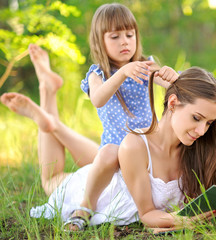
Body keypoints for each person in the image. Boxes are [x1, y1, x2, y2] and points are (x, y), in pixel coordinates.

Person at [1, 66, 216, 230]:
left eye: (208, 123)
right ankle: (47, 105)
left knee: (105, 155)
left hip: (109, 168)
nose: (202, 131)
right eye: (196, 118)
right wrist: (184, 221)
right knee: (51, 179)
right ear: (173, 103)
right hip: (90, 192)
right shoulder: (136, 145)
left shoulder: (196, 148)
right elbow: (147, 215)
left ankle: (53, 122)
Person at [69, 3, 178, 228]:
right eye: (115, 36)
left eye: (130, 34)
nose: (125, 41)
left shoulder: (145, 64)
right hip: (116, 149)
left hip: (146, 146)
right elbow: (98, 98)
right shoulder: (97, 73)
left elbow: (173, 87)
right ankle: (85, 206)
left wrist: (172, 76)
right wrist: (122, 74)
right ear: (100, 41)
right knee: (108, 152)